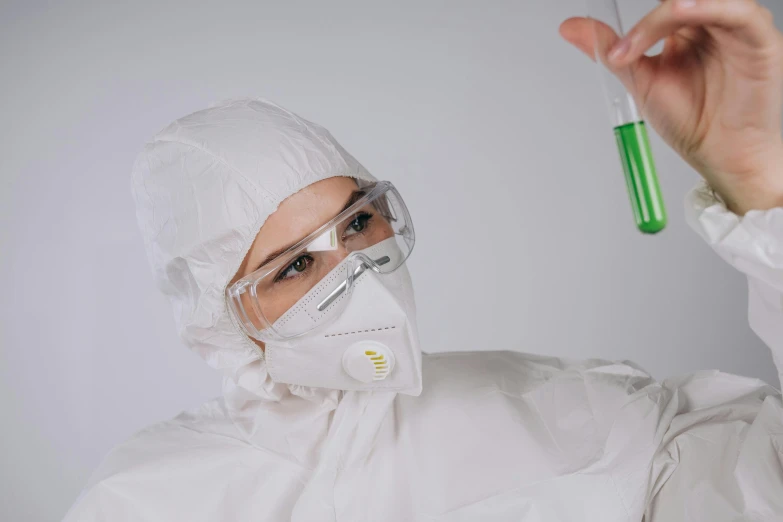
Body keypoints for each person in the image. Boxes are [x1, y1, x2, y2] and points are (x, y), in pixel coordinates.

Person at [65, 2, 783, 521]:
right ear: (222, 321)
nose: (353, 270)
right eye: (292, 267)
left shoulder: (575, 416)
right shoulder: (148, 500)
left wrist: (762, 184)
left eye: (356, 223)